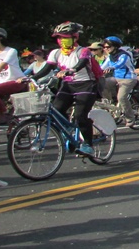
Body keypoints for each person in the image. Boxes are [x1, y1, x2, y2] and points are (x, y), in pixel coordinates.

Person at [26, 22, 101, 155]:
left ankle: (88, 144)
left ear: (74, 37)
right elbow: (47, 68)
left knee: (80, 115)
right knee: (56, 111)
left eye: (65, 37)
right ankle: (68, 130)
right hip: (67, 86)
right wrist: (32, 77)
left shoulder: (83, 51)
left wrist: (71, 70)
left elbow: (81, 63)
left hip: (86, 85)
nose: (62, 40)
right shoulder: (55, 53)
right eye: (59, 38)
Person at [99, 36, 139, 127]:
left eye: (108, 47)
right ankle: (110, 107)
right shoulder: (110, 57)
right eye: (104, 47)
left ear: (115, 46)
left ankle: (130, 118)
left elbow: (120, 64)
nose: (106, 49)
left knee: (121, 97)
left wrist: (112, 67)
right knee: (102, 84)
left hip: (129, 78)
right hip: (116, 78)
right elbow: (102, 67)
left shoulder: (124, 55)